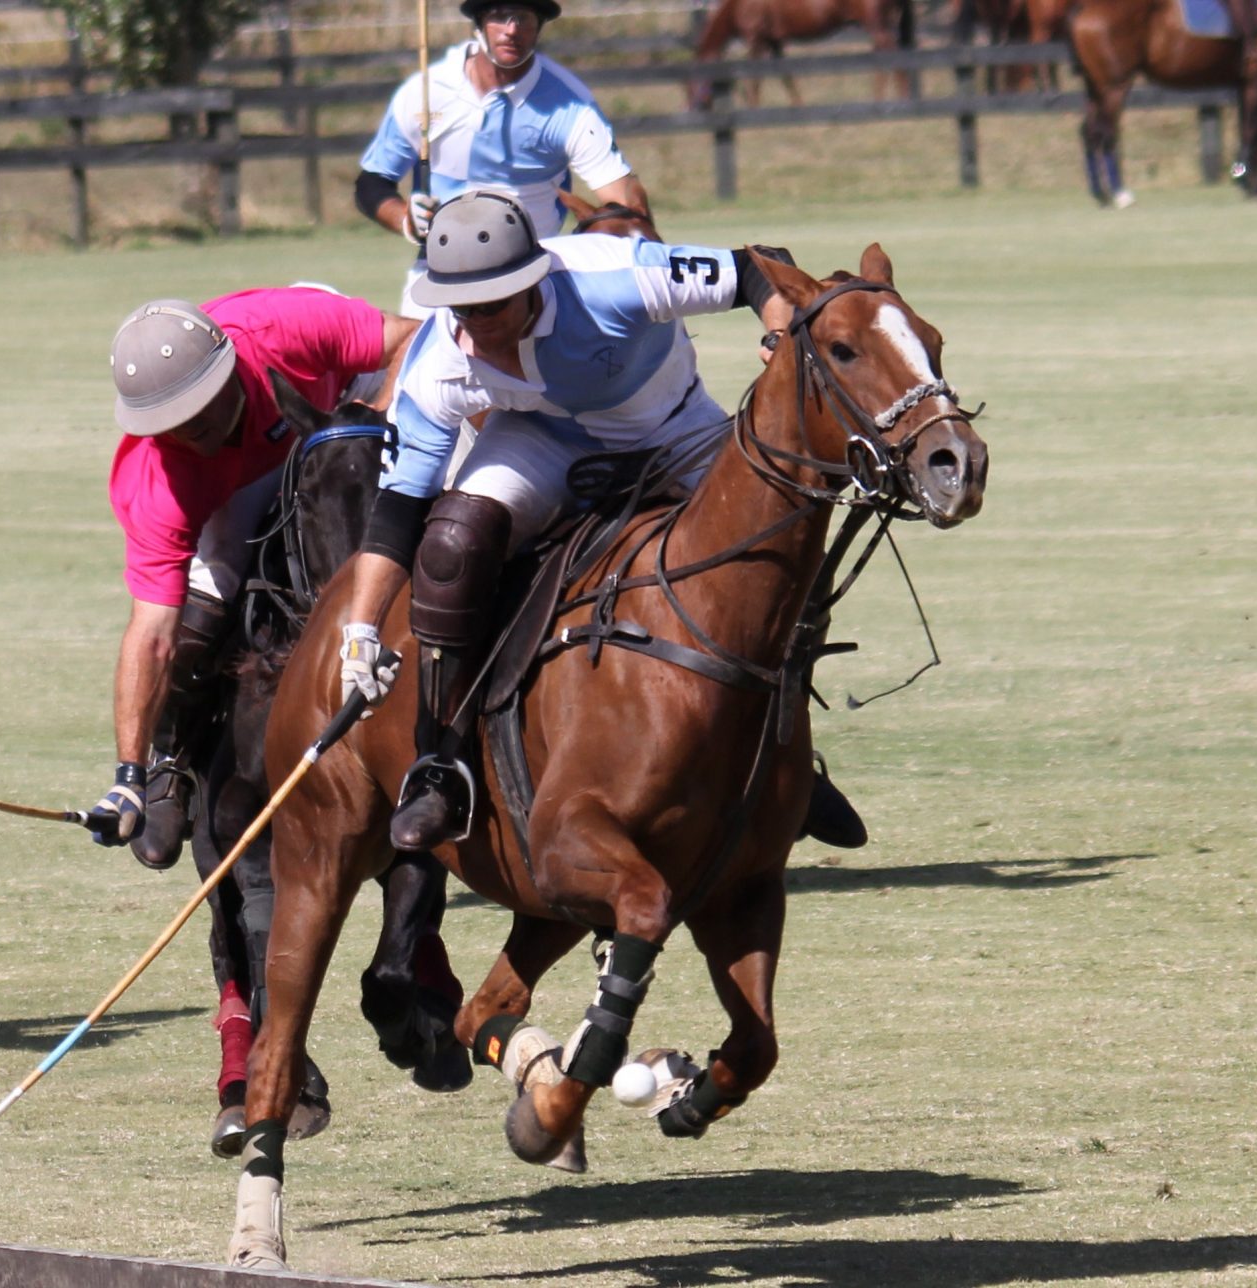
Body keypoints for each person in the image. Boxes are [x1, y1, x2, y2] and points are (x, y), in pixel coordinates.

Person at [330, 190, 866, 851]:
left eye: (493, 304)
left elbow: (759, 265)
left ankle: (785, 754)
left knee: (786, 558)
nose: (476, 324)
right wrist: (359, 629)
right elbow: (396, 511)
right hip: (543, 440)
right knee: (451, 542)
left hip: (676, 432)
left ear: (532, 281)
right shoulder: (438, 361)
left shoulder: (611, 279)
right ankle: (441, 762)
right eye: (461, 307)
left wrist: (780, 328)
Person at [86, 289, 416, 868]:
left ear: (228, 370)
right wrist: (126, 774)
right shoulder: (161, 473)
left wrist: (375, 417)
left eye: (197, 409)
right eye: (170, 421)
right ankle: (171, 766)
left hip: (344, 405)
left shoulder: (284, 328)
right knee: (205, 604)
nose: (187, 429)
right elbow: (153, 634)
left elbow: (416, 336)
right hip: (242, 481)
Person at [354, 0, 653, 317]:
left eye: (523, 18)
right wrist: (407, 220)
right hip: (438, 277)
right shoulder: (426, 91)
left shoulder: (571, 105)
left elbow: (625, 207)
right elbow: (371, 184)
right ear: (479, 22)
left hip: (531, 280)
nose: (512, 30)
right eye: (499, 17)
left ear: (539, 26)